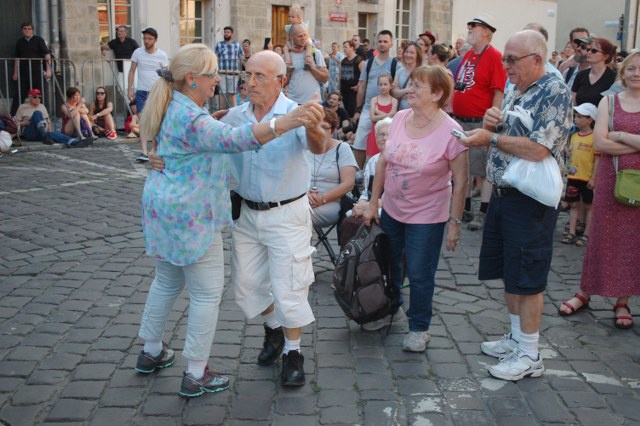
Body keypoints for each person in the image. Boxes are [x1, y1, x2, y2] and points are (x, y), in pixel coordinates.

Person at [136, 44, 323, 398]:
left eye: (257, 75)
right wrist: (284, 123)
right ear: (192, 79)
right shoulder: (201, 118)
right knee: (209, 295)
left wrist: (155, 153)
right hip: (194, 217)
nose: (222, 81)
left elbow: (173, 139)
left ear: (280, 81)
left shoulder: (173, 105)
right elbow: (234, 139)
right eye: (213, 75)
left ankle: (150, 351)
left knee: (167, 282)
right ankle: (195, 373)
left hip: (167, 211)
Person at [458, 30, 572, 381]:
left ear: (537, 60)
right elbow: (514, 128)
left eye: (512, 60)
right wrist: (497, 119)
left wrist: (491, 136)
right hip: (505, 194)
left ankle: (530, 354)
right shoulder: (515, 86)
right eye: (505, 58)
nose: (504, 65)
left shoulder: (555, 91)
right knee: (510, 271)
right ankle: (517, 337)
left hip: (531, 201)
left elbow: (539, 149)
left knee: (528, 277)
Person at [363, 65, 468, 344]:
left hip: (428, 214)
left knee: (420, 273)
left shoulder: (452, 131)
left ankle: (419, 327)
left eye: (418, 86)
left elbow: (461, 181)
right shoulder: (398, 118)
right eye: (412, 84)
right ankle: (390, 308)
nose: (410, 89)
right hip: (393, 209)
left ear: (437, 94)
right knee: (391, 266)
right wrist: (374, 202)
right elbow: (384, 161)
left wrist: (454, 224)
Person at [558, 51, 640, 329]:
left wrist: (619, 135)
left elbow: (608, 140)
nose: (636, 73)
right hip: (609, 177)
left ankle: (622, 301)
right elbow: (600, 144)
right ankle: (585, 291)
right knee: (600, 237)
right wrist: (635, 142)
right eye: (631, 68)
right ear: (622, 72)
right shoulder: (609, 101)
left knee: (632, 242)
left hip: (637, 184)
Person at [452, 14, 507, 231]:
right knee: (462, 167)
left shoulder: (494, 56)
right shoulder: (469, 55)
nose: (469, 29)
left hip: (479, 122)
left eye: (473, 26)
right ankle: (465, 208)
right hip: (461, 121)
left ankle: (483, 212)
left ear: (485, 31)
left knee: (483, 170)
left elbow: (498, 92)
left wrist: (490, 123)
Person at [352, 30, 402, 169]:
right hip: (369, 107)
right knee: (360, 141)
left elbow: (397, 87)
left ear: (391, 43)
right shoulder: (368, 63)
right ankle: (359, 174)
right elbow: (362, 86)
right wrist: (358, 109)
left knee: (386, 142)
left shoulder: (395, 65)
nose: (382, 44)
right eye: (380, 41)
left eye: (385, 41)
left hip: (387, 108)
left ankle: (383, 171)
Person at [339, 117, 391, 249]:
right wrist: (360, 204)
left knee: (368, 223)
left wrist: (368, 206)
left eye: (388, 134)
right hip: (371, 205)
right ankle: (350, 260)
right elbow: (366, 191)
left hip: (391, 209)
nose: (384, 138)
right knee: (349, 222)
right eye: (381, 134)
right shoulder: (373, 161)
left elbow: (396, 198)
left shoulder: (399, 162)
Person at [307, 108, 357, 227]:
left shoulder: (342, 148)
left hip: (331, 202)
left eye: (324, 127)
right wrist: (305, 195)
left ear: (333, 130)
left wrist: (322, 198)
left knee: (297, 216)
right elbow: (291, 177)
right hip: (302, 199)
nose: (319, 131)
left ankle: (301, 246)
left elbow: (349, 184)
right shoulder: (304, 147)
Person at [128, 28, 169, 163]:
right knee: (143, 122)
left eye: (149, 39)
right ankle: (144, 152)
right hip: (141, 92)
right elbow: (132, 71)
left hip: (156, 93)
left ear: (155, 40)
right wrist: (130, 89)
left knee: (157, 122)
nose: (146, 41)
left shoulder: (161, 55)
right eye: (145, 38)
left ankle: (155, 149)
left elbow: (166, 75)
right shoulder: (137, 52)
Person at [560, 103, 599, 247]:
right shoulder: (574, 135)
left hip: (586, 177)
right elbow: (569, 151)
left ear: (590, 120)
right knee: (574, 204)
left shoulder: (595, 137)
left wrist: (594, 178)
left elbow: (597, 159)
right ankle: (572, 231)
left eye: (580, 117)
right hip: (573, 177)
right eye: (575, 116)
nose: (576, 119)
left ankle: (587, 233)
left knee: (589, 206)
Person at [14, 88, 81, 147]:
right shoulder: (22, 107)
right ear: (30, 97)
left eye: (39, 97)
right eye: (35, 97)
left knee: (54, 134)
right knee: (37, 113)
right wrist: (22, 123)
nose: (37, 99)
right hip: (30, 132)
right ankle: (44, 135)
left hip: (41, 133)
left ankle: (74, 142)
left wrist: (49, 132)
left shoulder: (42, 106)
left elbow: (48, 122)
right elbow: (15, 123)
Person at [11, 22, 52, 116]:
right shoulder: (20, 42)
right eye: (25, 28)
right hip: (23, 73)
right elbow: (17, 58)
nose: (27, 30)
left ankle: (43, 115)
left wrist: (48, 69)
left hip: (36, 71)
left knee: (39, 94)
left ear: (32, 30)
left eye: (29, 29)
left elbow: (46, 54)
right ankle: (13, 116)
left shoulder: (38, 40)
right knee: (19, 94)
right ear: (22, 30)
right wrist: (15, 73)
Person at [285, 24, 328, 105]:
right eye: (300, 36)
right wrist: (289, 72)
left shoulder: (315, 53)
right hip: (293, 103)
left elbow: (325, 78)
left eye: (305, 35)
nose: (303, 38)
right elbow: (282, 84)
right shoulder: (287, 56)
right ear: (291, 37)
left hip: (313, 102)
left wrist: (312, 68)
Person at [572, 37, 617, 106]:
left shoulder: (613, 78)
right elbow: (573, 103)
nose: (589, 52)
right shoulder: (581, 75)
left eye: (594, 51)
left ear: (605, 56)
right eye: (588, 50)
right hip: (579, 115)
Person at [366, 73, 397, 157]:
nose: (383, 87)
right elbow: (373, 118)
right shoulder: (374, 100)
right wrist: (389, 114)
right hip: (375, 134)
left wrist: (377, 111)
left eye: (385, 84)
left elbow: (392, 119)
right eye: (380, 84)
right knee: (372, 159)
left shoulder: (394, 101)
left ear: (391, 86)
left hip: (387, 135)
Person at [214, 26, 243, 109]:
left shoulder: (237, 45)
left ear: (232, 34)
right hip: (222, 72)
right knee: (222, 93)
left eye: (228, 32)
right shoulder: (219, 45)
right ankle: (221, 111)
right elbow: (215, 57)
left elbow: (241, 57)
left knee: (232, 93)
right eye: (225, 32)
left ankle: (235, 111)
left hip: (233, 73)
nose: (226, 34)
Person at [391, 42, 424, 111]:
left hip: (418, 111)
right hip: (401, 111)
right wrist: (408, 90)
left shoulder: (423, 72)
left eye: (412, 53)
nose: (408, 55)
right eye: (406, 52)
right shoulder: (399, 72)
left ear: (417, 55)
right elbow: (394, 93)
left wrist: (400, 92)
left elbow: (422, 93)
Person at [108, 25, 139, 92]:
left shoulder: (131, 42)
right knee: (121, 89)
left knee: (133, 89)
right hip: (121, 71)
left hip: (131, 70)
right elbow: (104, 46)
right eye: (118, 31)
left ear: (125, 33)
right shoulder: (114, 42)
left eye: (121, 31)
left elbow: (138, 52)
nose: (119, 33)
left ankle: (131, 102)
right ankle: (129, 102)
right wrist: (104, 50)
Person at [282, 4, 314, 69]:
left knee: (309, 43)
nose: (290, 18)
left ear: (299, 18)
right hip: (293, 42)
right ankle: (289, 62)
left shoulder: (303, 25)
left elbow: (307, 36)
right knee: (285, 48)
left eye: (293, 17)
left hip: (304, 41)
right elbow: (287, 40)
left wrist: (303, 45)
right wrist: (290, 48)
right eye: (289, 16)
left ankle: (307, 59)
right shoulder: (288, 27)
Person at [340, 40, 363, 118]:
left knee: (352, 110)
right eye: (343, 47)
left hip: (354, 91)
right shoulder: (343, 61)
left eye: (346, 47)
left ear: (352, 48)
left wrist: (358, 85)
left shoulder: (359, 60)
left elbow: (364, 75)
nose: (344, 49)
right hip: (344, 90)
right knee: (346, 110)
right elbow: (341, 75)